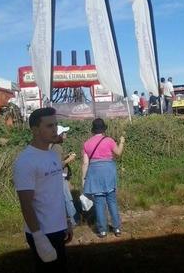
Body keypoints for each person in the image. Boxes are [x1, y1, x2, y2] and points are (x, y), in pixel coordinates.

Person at [13, 107, 73, 272]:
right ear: (35, 130)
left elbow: (55, 193)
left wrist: (66, 221)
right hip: (42, 231)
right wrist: (38, 237)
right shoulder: (25, 161)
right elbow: (26, 204)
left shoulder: (53, 155)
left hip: (58, 227)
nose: (55, 129)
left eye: (55, 124)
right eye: (49, 126)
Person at [82, 118, 125, 238]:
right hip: (108, 172)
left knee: (99, 203)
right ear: (103, 129)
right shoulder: (109, 140)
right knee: (112, 201)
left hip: (94, 173)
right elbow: (118, 153)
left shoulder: (86, 143)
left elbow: (85, 163)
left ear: (93, 130)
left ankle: (103, 231)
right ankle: (116, 229)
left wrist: (83, 179)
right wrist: (121, 142)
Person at [50, 125, 78, 226]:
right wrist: (69, 160)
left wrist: (66, 156)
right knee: (68, 199)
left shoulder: (55, 146)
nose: (66, 134)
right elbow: (58, 165)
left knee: (63, 199)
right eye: (64, 133)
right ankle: (73, 221)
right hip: (60, 177)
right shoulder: (57, 147)